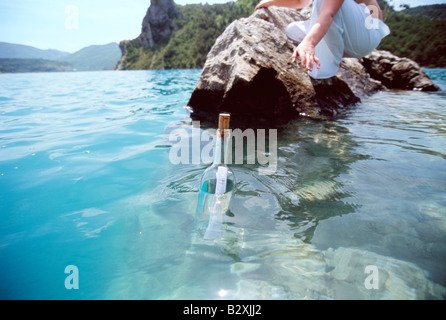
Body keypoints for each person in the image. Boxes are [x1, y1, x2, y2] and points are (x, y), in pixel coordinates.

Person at [255, 0, 390, 79]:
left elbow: (329, 13)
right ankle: (333, 54)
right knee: (292, 29)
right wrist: (269, 2)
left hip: (368, 32)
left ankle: (332, 62)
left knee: (322, 5)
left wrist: (309, 43)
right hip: (354, 38)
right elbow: (300, 1)